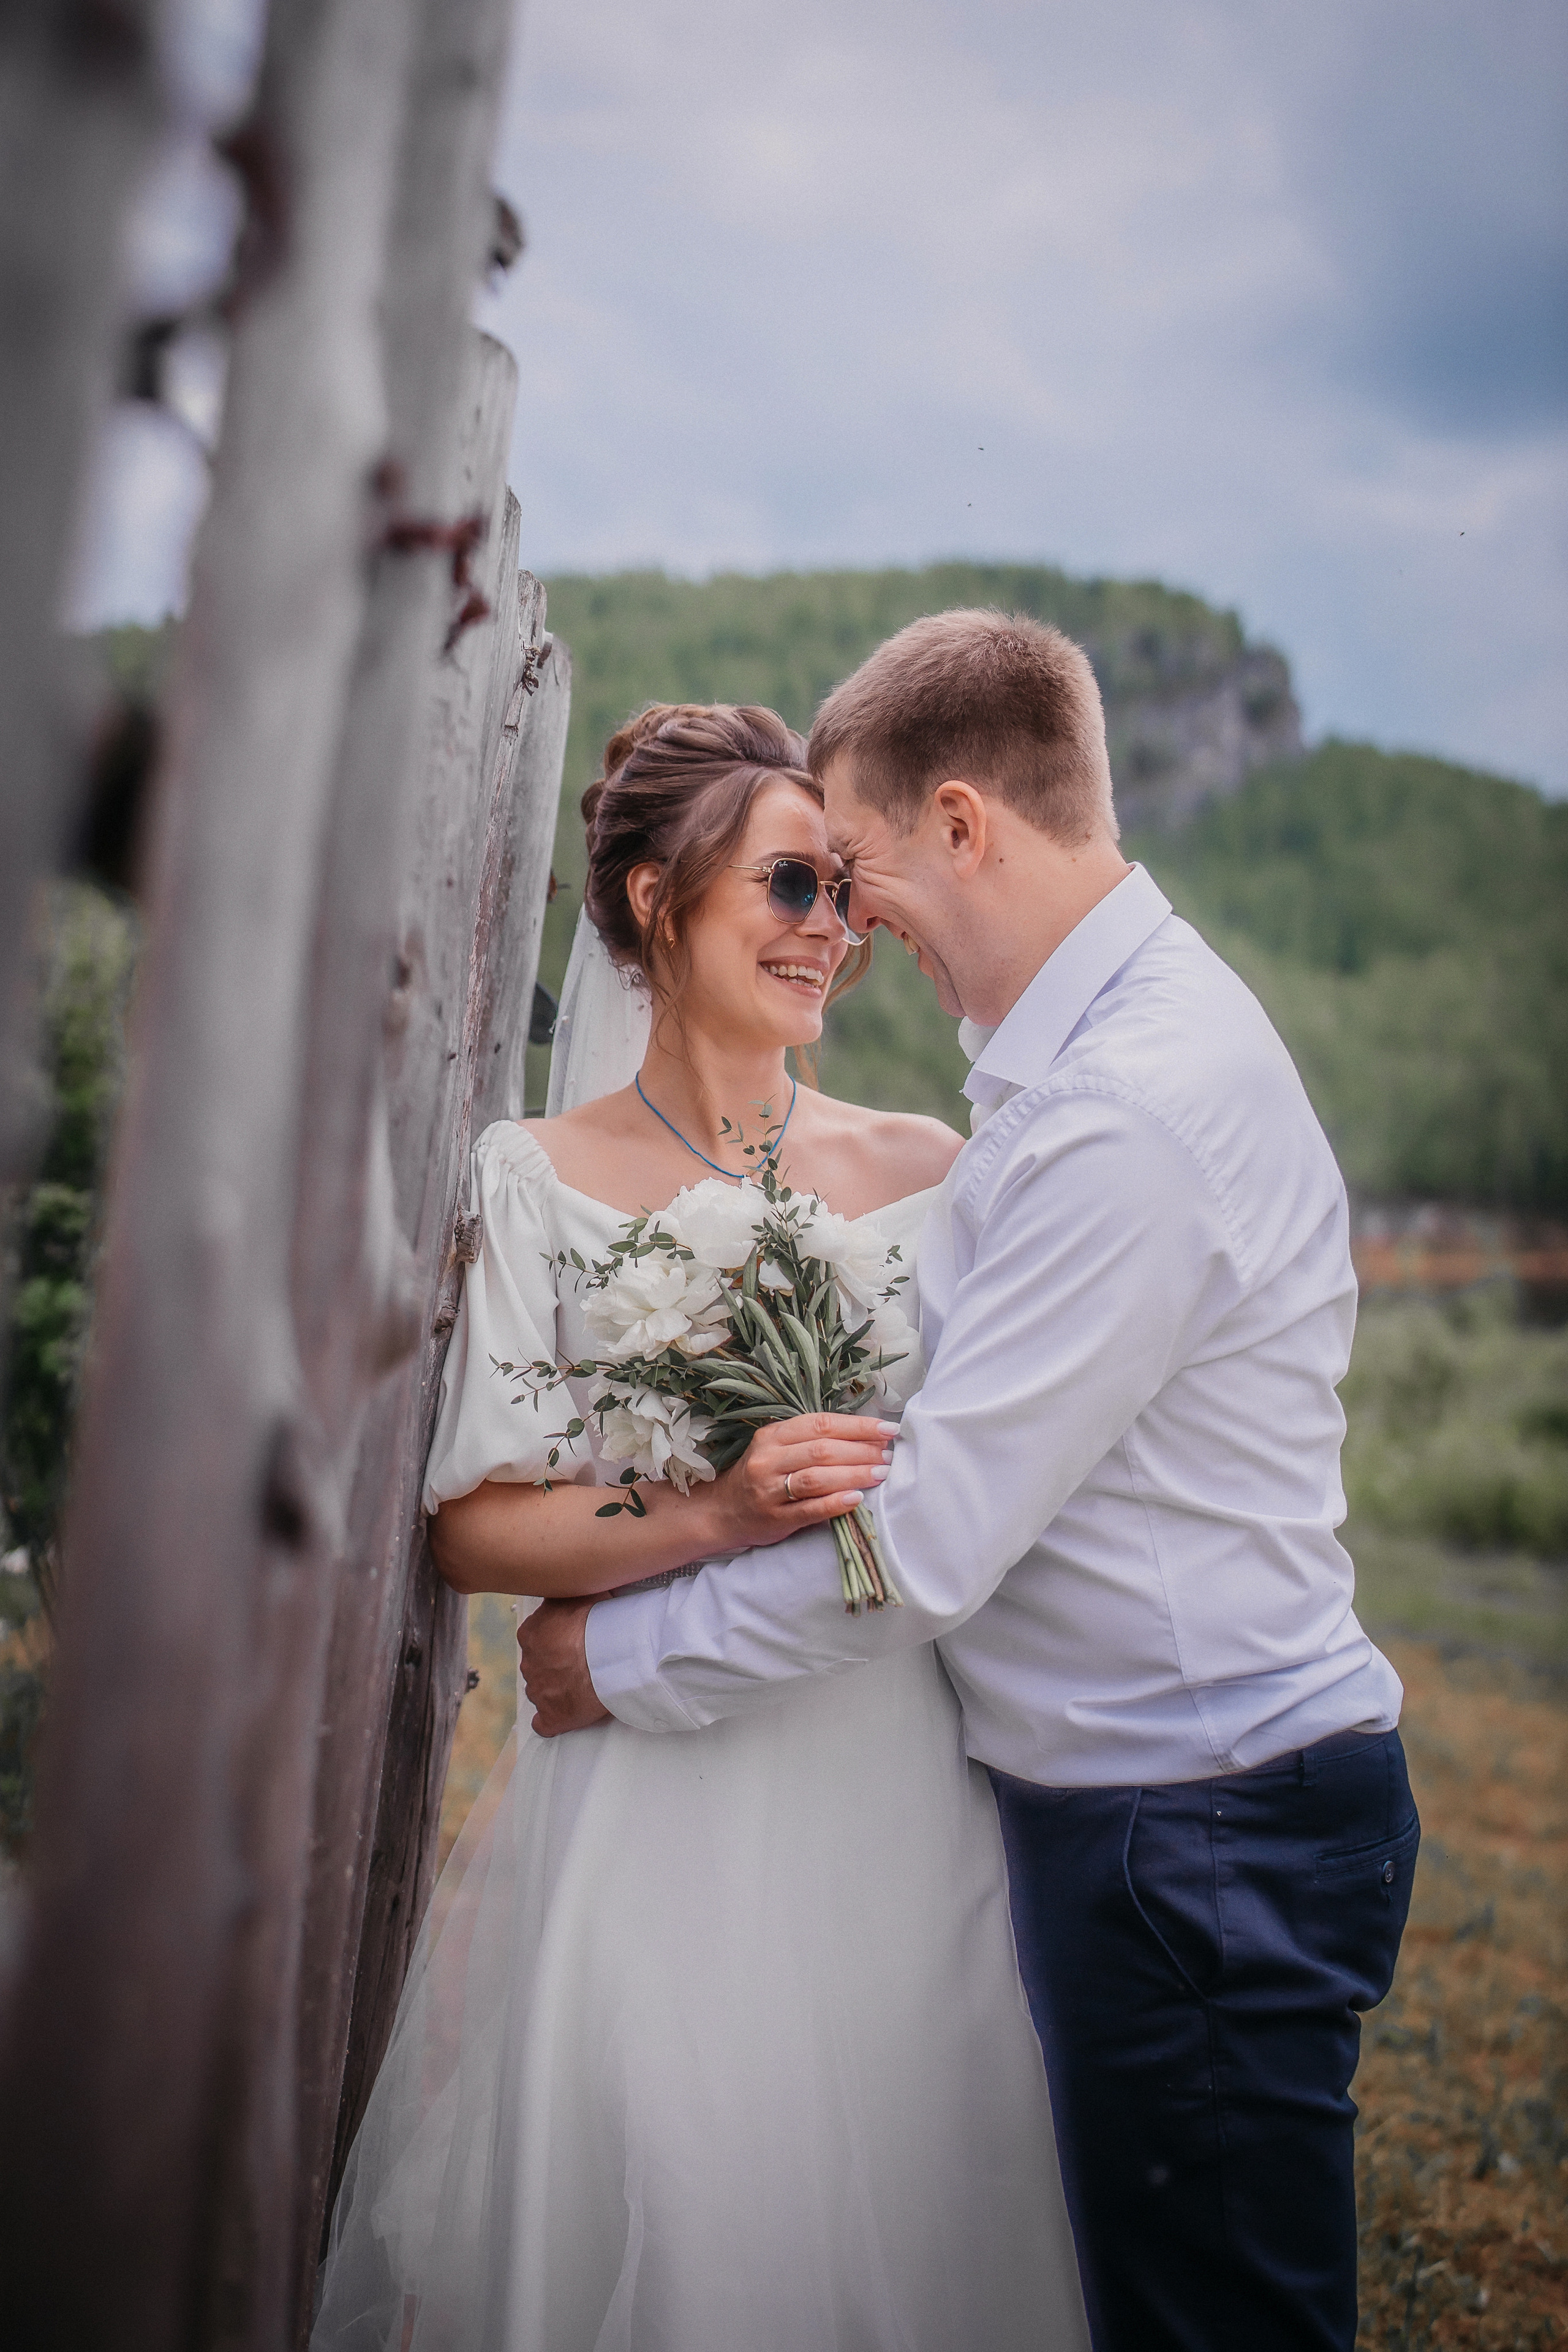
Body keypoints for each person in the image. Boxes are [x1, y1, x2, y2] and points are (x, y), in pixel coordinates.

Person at [520, 615, 1420, 2352]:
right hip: (1179, 1816)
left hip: (1197, 1834)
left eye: (855, 875)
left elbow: (926, 1545)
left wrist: (614, 1661)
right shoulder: (1101, 1069)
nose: (855, 932)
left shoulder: (1125, 1116)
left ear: (961, 822)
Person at [312, 703, 1091, 2350]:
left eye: (845, 896)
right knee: (684, 2216)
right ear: (661, 904)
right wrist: (711, 1510)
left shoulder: (931, 1169)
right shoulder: (538, 1177)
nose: (834, 932)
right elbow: (479, 1529)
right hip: (658, 1809)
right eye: (793, 888)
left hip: (901, 1787)